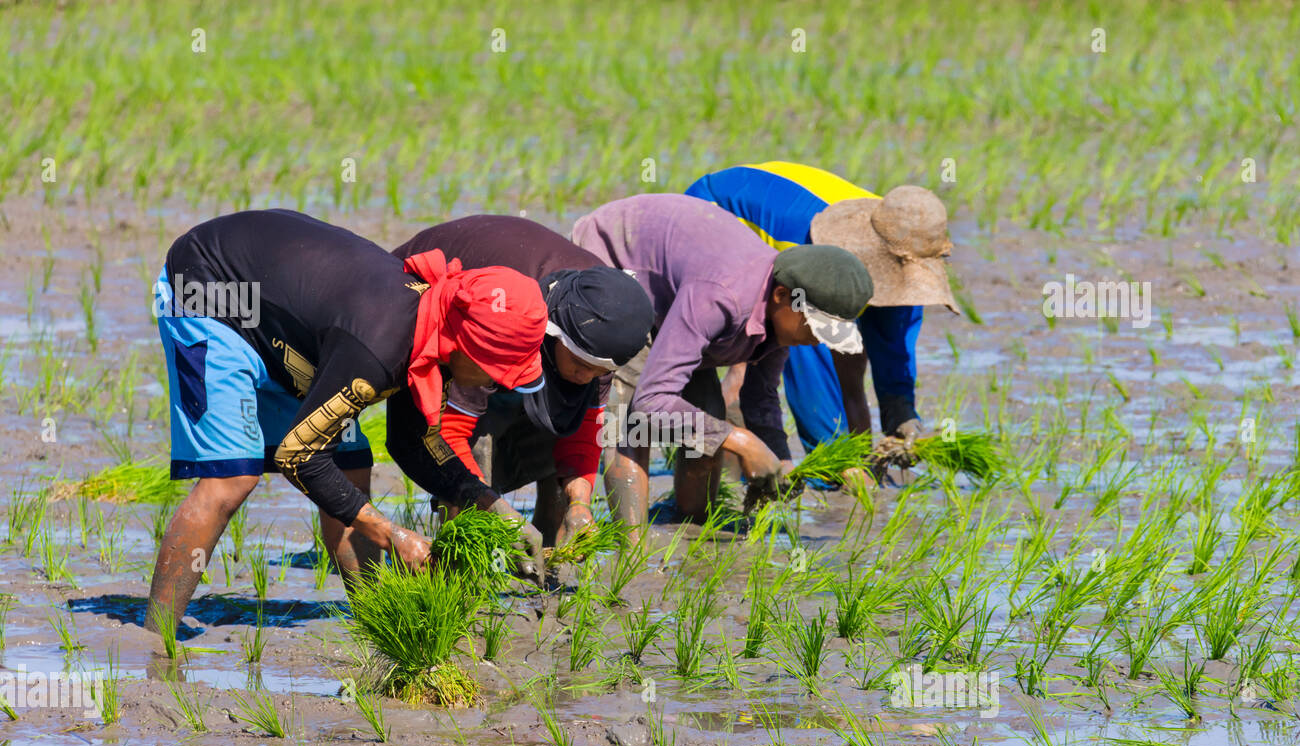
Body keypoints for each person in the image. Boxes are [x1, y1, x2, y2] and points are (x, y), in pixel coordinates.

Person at [145, 209, 548, 636]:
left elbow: (413, 443)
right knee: (234, 478)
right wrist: (392, 534)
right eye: (496, 371)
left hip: (290, 324)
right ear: (465, 344)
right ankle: (156, 638)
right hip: (212, 289)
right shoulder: (378, 346)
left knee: (351, 472)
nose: (496, 384)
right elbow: (299, 457)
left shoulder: (432, 325)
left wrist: (496, 509)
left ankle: (384, 628)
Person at [571, 193, 874, 532]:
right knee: (631, 423)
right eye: (816, 327)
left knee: (708, 412)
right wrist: (742, 441)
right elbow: (650, 403)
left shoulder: (781, 320)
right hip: (616, 258)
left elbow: (760, 398)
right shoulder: (722, 295)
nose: (818, 340)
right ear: (781, 296)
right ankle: (632, 554)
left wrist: (781, 462)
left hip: (677, 293)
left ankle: (690, 524)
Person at [391, 216, 654, 546]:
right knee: (471, 448)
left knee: (555, 417)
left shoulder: (605, 325)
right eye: (579, 364)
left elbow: (586, 428)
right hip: (416, 309)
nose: (585, 376)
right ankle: (463, 572)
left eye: (597, 372)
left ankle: (538, 549)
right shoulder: (506, 321)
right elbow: (452, 433)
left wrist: (580, 503)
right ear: (556, 334)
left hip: (515, 320)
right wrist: (497, 514)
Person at [685, 161, 959, 456]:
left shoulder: (908, 235)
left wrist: (901, 412)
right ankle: (726, 437)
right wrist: (832, 463)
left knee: (850, 360)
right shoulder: (808, 244)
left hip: (777, 204)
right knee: (753, 349)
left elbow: (894, 339)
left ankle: (848, 458)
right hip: (716, 212)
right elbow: (806, 355)